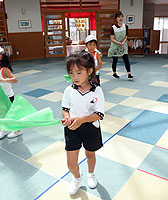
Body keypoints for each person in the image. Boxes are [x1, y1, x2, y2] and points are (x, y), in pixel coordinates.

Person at [61, 50, 105, 195]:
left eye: (79, 72)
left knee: (90, 154)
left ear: (90, 71)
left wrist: (82, 119)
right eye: (71, 73)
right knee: (71, 163)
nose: (74, 77)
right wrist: (67, 117)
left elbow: (98, 114)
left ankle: (91, 174)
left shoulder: (97, 91)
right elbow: (65, 109)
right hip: (72, 127)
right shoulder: (69, 90)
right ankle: (76, 178)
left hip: (90, 127)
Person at [108, 11, 134, 80]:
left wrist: (123, 42)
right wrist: (119, 43)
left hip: (123, 45)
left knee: (126, 59)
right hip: (115, 45)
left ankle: (129, 74)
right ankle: (114, 73)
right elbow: (112, 38)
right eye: (119, 17)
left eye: (121, 16)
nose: (121, 18)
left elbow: (126, 36)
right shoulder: (113, 28)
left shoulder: (125, 26)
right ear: (116, 19)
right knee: (115, 60)